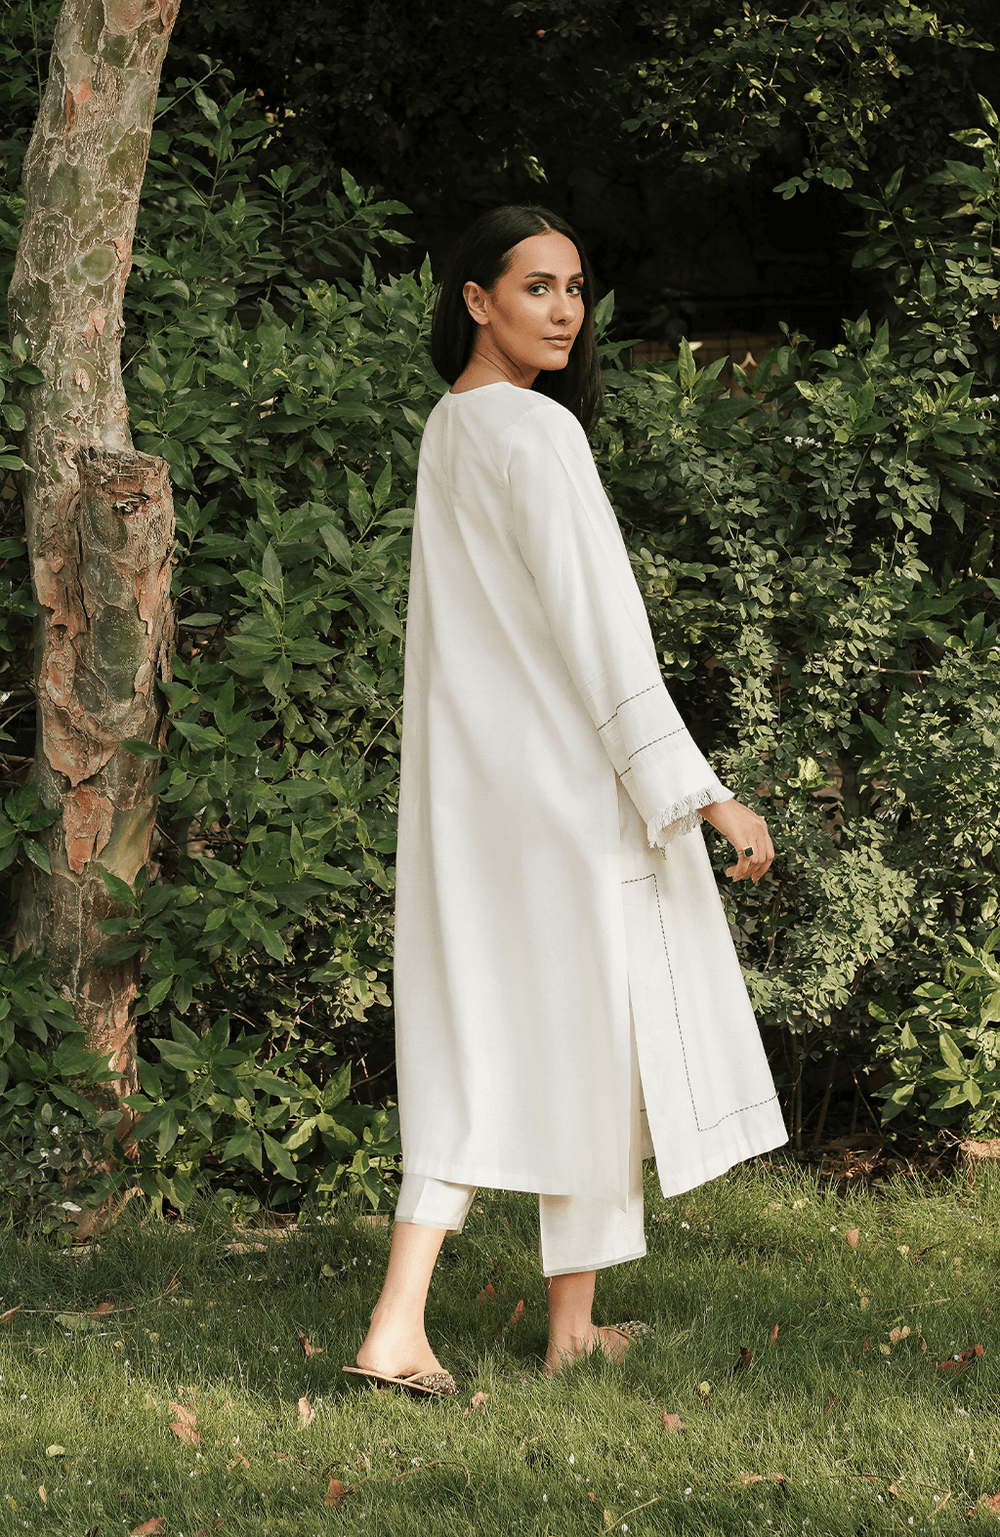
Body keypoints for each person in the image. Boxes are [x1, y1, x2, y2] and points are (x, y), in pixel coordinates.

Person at [343, 205, 787, 1397]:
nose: (563, 310)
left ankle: (559, 1326)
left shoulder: (453, 427)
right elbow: (602, 633)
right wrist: (704, 795)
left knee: (507, 1035)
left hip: (481, 795)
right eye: (535, 286)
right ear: (475, 300)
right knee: (579, 1033)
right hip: (566, 791)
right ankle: (398, 1326)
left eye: (575, 287)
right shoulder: (535, 433)